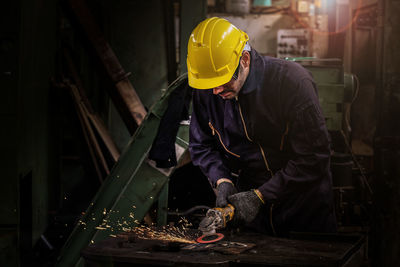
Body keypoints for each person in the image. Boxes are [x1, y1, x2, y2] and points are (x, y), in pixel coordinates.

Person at [187, 17, 337, 236]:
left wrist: (260, 196)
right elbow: (201, 145)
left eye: (224, 81)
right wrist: (222, 179)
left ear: (245, 60)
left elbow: (314, 157)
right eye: (210, 85)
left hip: (302, 210)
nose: (216, 91)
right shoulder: (208, 89)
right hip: (250, 217)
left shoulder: (291, 82)